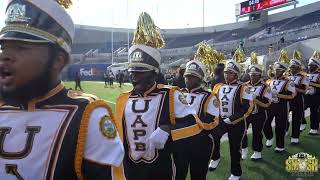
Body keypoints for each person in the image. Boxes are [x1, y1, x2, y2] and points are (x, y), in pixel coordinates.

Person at [0, 0, 124, 179]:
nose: (5, 57)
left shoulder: (87, 115)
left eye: (20, 47)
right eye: (3, 47)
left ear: (58, 60)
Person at [114, 12, 203, 180]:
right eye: (132, 71)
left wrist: (168, 129)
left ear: (154, 73)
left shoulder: (171, 94)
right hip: (131, 168)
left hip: (162, 169)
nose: (134, 76)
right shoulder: (122, 99)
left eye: (140, 71)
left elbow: (194, 123)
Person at [174, 59, 219, 180]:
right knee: (178, 175)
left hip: (201, 144)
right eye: (187, 76)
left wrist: (186, 124)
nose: (188, 79)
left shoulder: (210, 96)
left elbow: (212, 121)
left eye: (192, 76)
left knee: (198, 176)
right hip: (180, 144)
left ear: (200, 79)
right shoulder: (178, 94)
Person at [209, 60, 254, 180]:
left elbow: (248, 107)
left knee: (234, 147)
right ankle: (215, 157)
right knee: (213, 137)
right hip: (221, 121)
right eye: (225, 72)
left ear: (236, 74)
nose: (226, 75)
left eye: (230, 72)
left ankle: (236, 172)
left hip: (237, 122)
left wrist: (232, 119)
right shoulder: (218, 86)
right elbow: (213, 104)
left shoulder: (244, 87)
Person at [241, 53, 272, 160]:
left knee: (257, 133)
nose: (252, 76)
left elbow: (268, 104)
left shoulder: (265, 87)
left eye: (255, 74)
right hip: (246, 114)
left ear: (259, 75)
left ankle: (257, 151)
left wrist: (255, 99)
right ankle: (244, 149)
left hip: (259, 114)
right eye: (251, 74)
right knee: (242, 131)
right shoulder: (244, 85)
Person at [264, 51, 296, 152]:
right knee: (265, 122)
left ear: (283, 71)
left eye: (278, 70)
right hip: (270, 105)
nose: (276, 71)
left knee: (280, 126)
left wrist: (278, 95)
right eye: (275, 69)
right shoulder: (270, 80)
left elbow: (293, 95)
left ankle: (280, 146)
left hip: (282, 106)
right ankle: (269, 137)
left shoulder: (288, 82)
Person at [287, 57, 309, 144]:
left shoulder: (304, 77)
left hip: (298, 99)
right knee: (283, 117)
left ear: (298, 67)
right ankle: (285, 129)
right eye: (291, 66)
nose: (291, 68)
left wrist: (293, 88)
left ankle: (295, 137)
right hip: (287, 99)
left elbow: (304, 90)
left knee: (296, 118)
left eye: (293, 67)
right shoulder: (287, 76)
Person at [305, 52, 320, 135]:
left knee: (314, 112)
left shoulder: (319, 75)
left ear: (316, 66)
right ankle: (302, 123)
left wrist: (315, 90)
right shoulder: (307, 74)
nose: (309, 66)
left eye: (311, 65)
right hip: (307, 96)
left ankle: (314, 127)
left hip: (317, 97)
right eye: (309, 65)